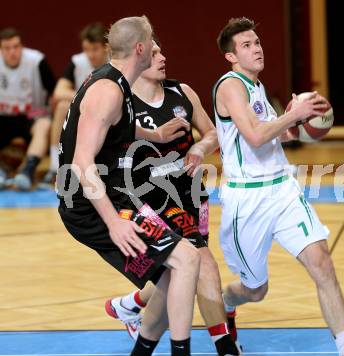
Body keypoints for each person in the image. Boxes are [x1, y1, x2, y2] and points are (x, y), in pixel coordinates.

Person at [213, 17, 344, 356]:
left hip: (282, 189)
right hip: (246, 200)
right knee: (255, 290)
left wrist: (297, 128)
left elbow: (268, 136)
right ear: (231, 57)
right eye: (247, 45)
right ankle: (226, 302)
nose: (257, 48)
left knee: (322, 262)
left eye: (257, 41)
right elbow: (253, 134)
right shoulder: (229, 86)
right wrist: (294, 115)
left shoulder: (257, 88)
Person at [57, 16, 200, 356]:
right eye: (152, 40)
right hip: (89, 205)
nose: (157, 46)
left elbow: (114, 126)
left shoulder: (116, 83)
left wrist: (154, 134)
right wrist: (114, 222)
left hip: (109, 195)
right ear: (140, 48)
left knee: (170, 278)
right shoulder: (108, 90)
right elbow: (81, 163)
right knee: (188, 260)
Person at [105, 40, 241, 356]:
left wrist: (199, 148)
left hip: (188, 193)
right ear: (136, 59)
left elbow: (213, 133)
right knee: (199, 262)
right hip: (145, 197)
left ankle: (132, 306)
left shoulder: (183, 92)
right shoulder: (119, 102)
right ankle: (225, 348)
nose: (163, 57)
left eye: (163, 51)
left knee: (178, 273)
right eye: (154, 54)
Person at [41, 23, 109, 187]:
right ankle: (54, 166)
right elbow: (58, 91)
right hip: (86, 112)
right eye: (87, 49)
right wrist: (86, 98)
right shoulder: (78, 62)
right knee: (63, 105)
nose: (90, 54)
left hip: (109, 114)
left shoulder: (117, 63)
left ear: (106, 47)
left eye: (95, 49)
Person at [0, 27, 56, 190]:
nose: (12, 52)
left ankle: (27, 171)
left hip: (31, 115)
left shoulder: (36, 61)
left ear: (21, 46)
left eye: (16, 47)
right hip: (3, 117)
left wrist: (47, 112)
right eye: (7, 48)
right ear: (1, 49)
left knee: (44, 124)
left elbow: (54, 92)